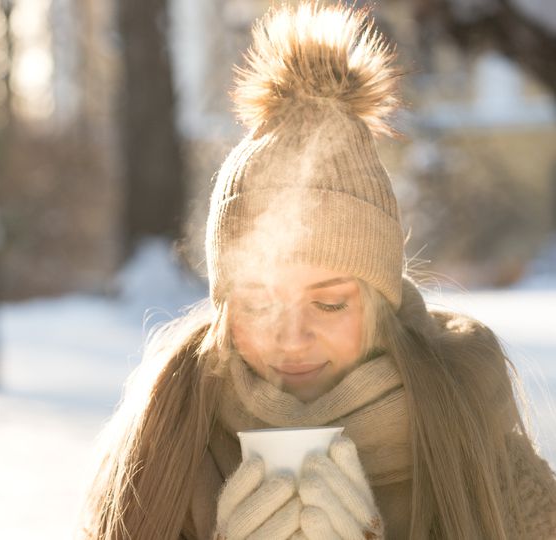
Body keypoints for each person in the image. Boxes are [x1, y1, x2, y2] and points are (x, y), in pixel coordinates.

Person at [79, 2, 556, 539]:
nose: (291, 337)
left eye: (328, 302)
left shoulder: (475, 430)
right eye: (258, 305)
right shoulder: (159, 446)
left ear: (381, 305)